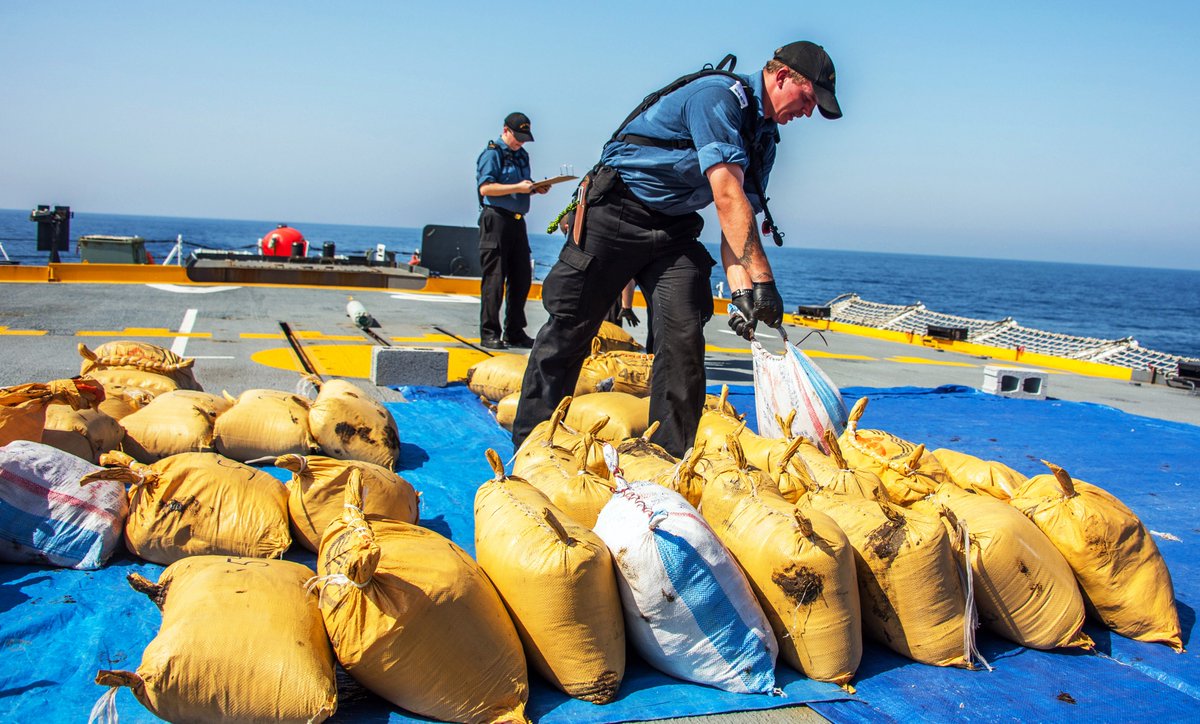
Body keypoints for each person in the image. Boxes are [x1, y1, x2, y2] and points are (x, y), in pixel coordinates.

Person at [513, 41, 842, 457]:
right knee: (570, 328)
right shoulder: (718, 98)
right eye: (809, 99)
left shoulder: (764, 141)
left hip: (673, 229)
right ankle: (531, 444)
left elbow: (736, 225)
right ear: (781, 77)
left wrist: (744, 295)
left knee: (683, 335)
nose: (808, 112)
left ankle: (667, 457)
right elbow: (726, 196)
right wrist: (764, 282)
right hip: (616, 212)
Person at [476, 111, 548, 349]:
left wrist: (535, 188)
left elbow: (521, 187)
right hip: (496, 219)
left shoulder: (522, 155)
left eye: (524, 139)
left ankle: (514, 331)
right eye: (517, 137)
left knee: (521, 277)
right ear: (505, 130)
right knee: (495, 279)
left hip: (518, 221)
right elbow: (486, 189)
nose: (520, 142)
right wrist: (518, 187)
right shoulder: (492, 153)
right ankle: (489, 332)